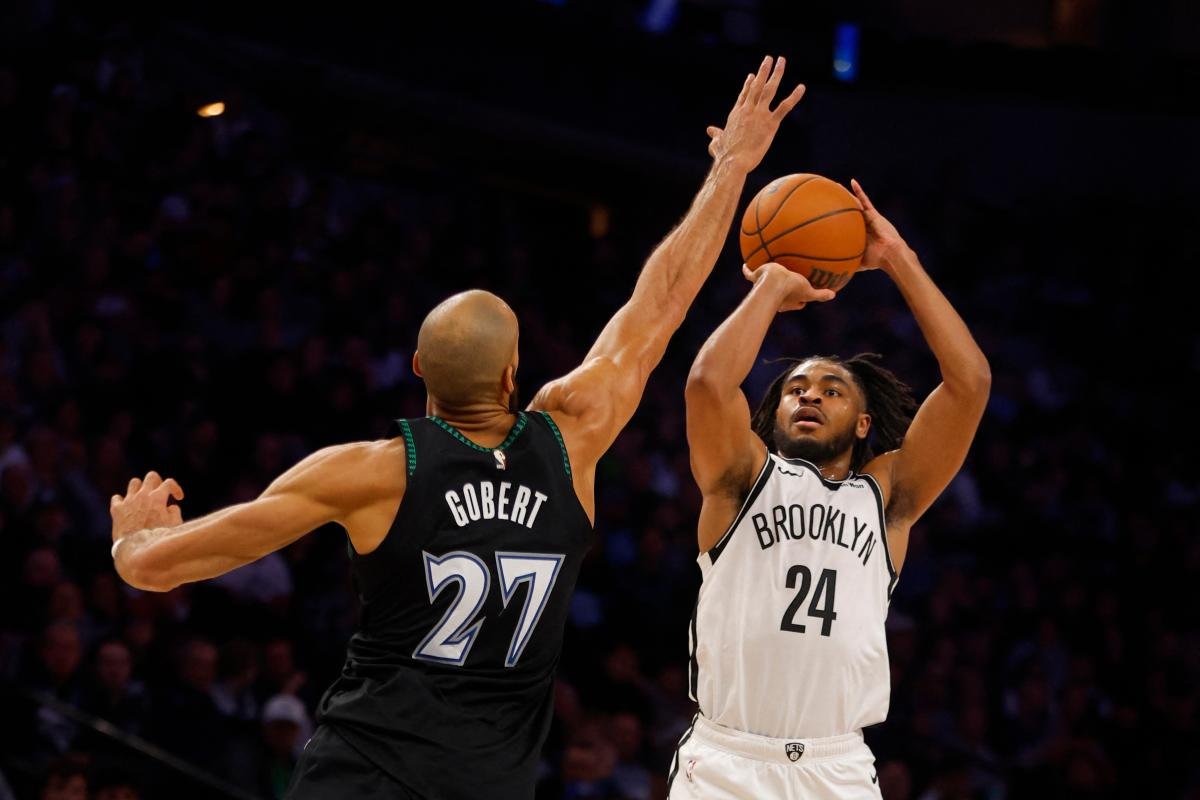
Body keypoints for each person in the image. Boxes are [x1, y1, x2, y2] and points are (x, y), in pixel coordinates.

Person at [108, 56, 806, 800]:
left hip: (357, 778)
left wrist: (134, 539)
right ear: (512, 377)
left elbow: (162, 569)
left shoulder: (372, 470)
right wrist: (731, 167)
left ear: (418, 368)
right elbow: (661, 303)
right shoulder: (572, 438)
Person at [670, 179, 991, 798]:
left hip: (835, 766)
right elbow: (708, 384)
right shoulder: (741, 478)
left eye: (831, 389)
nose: (809, 395)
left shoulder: (887, 497)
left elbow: (969, 382)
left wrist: (898, 258)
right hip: (727, 761)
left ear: (863, 423)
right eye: (795, 389)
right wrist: (770, 287)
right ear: (774, 414)